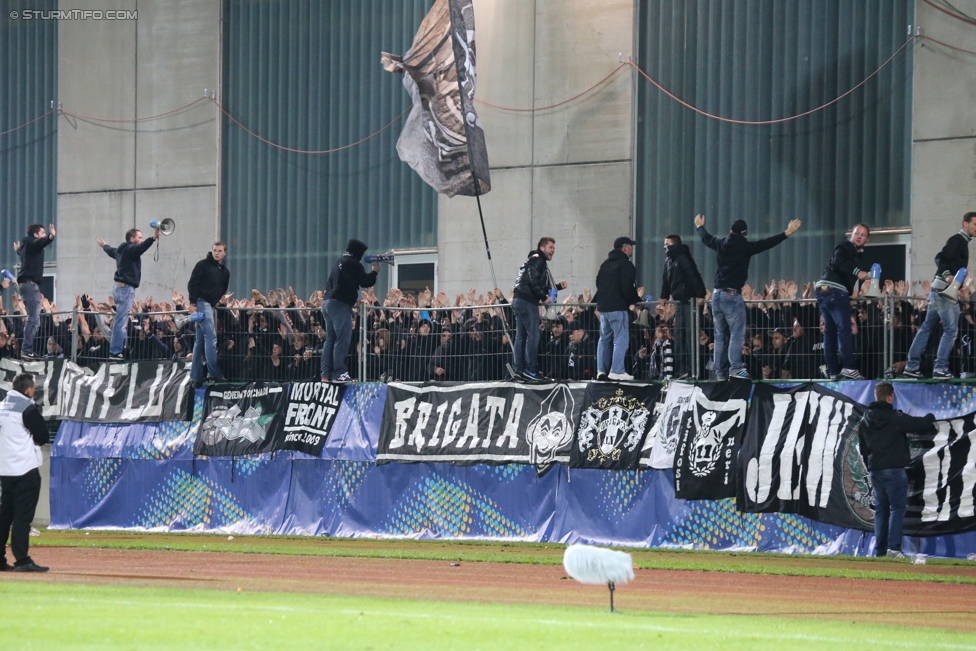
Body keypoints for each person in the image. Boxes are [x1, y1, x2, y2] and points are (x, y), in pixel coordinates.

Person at [696, 214, 801, 379]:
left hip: (716, 296)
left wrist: (699, 226)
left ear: (731, 231)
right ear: (745, 233)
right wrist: (786, 232)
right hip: (732, 296)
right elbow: (766, 243)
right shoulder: (745, 247)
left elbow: (706, 239)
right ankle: (735, 368)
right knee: (736, 335)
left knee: (719, 335)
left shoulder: (721, 244)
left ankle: (720, 373)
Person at [857, 382, 935, 558]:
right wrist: (931, 416)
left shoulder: (865, 419)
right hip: (894, 470)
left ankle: (880, 551)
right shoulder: (895, 417)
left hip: (875, 470)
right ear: (890, 397)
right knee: (897, 509)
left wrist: (871, 465)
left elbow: (862, 447)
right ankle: (894, 548)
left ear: (876, 396)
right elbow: (920, 425)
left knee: (881, 510)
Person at [902, 213, 976, 379]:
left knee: (927, 327)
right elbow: (940, 258)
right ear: (965, 223)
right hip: (944, 292)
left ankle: (911, 366)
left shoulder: (961, 242)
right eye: (975, 224)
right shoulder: (957, 240)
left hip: (938, 291)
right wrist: (949, 275)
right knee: (951, 330)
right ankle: (940, 367)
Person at [0, 373, 50, 572]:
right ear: (28, 390)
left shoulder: (2, 406)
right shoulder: (27, 408)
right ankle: (22, 560)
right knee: (22, 517)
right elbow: (43, 436)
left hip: (4, 469)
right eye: (33, 389)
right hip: (25, 469)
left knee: (4, 515)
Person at [815, 224, 870, 380]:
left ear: (867, 239)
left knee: (830, 331)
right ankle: (849, 368)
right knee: (844, 329)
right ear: (851, 235)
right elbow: (839, 260)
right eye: (856, 233)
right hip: (835, 291)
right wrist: (858, 272)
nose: (859, 236)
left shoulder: (855, 253)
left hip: (823, 290)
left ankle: (833, 370)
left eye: (863, 235)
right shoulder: (845, 247)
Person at [97, 226, 160, 360]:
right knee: (121, 322)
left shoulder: (120, 250)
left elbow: (110, 251)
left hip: (119, 287)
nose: (142, 240)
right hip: (126, 288)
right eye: (140, 237)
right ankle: (115, 351)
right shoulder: (131, 249)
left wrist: (104, 245)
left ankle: (117, 349)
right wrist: (153, 238)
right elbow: (140, 249)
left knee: (120, 320)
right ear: (132, 239)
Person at [321, 238, 379, 382]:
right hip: (340, 305)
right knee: (343, 339)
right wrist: (374, 272)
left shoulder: (339, 262)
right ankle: (339, 372)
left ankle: (325, 374)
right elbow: (366, 281)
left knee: (330, 339)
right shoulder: (353, 263)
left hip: (328, 302)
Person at [511, 237, 566, 380]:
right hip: (527, 301)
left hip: (518, 299)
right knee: (533, 336)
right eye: (550, 247)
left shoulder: (531, 261)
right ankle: (531, 370)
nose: (553, 251)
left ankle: (519, 369)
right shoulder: (538, 260)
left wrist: (558, 287)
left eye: (554, 248)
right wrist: (543, 297)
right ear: (542, 248)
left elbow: (534, 280)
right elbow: (532, 280)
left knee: (521, 336)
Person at [595, 236, 641, 381]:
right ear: (625, 248)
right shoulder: (626, 264)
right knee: (621, 337)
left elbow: (598, 284)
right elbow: (627, 286)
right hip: (617, 307)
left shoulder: (605, 264)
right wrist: (635, 300)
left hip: (603, 308)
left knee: (604, 339)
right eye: (631, 246)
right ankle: (617, 370)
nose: (632, 249)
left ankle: (601, 370)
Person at [660, 234, 706, 378]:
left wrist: (700, 295)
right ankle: (681, 370)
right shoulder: (669, 260)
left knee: (690, 337)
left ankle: (692, 370)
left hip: (689, 302)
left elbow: (694, 276)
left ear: (674, 245)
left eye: (667, 244)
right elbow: (666, 280)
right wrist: (664, 296)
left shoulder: (684, 258)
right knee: (679, 336)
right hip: (679, 303)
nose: (665, 247)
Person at [187, 242, 230, 385]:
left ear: (225, 253)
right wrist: (192, 303)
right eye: (214, 250)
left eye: (219, 251)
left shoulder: (225, 271)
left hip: (210, 305)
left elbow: (222, 288)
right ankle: (214, 372)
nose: (216, 253)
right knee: (210, 337)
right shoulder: (203, 265)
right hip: (202, 302)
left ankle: (196, 376)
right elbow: (193, 283)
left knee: (200, 341)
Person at [15, 223, 55, 360]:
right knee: (33, 318)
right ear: (36, 234)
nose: (43, 235)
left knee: (34, 319)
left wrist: (17, 251)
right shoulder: (33, 242)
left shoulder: (28, 246)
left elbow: (24, 255)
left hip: (28, 285)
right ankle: (26, 350)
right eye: (42, 232)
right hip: (30, 285)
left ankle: (27, 349)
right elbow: (42, 242)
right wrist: (50, 236)